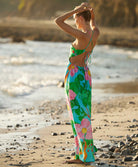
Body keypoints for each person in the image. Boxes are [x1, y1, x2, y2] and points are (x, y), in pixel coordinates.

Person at [55, 2, 100, 164]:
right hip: (85, 76)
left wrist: (76, 10)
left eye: (75, 18)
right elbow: (94, 24)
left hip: (75, 76)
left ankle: (85, 156)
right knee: (83, 115)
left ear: (81, 17)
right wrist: (92, 17)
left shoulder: (81, 35)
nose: (75, 21)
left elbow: (58, 21)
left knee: (78, 116)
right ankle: (81, 153)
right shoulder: (95, 33)